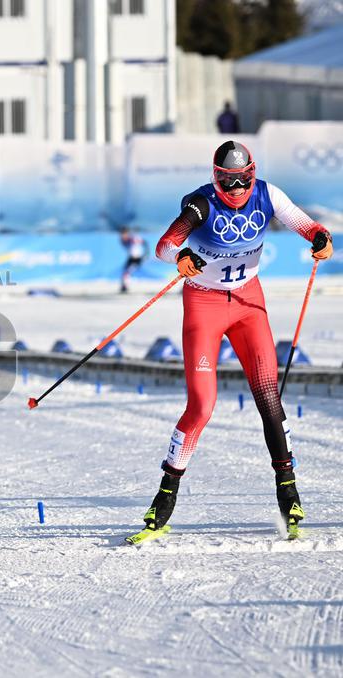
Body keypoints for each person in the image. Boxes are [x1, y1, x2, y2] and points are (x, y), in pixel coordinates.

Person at [134, 140, 333, 542]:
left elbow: (303, 222)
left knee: (268, 398)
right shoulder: (201, 204)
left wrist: (320, 237)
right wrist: (180, 258)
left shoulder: (267, 194)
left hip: (248, 305)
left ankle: (289, 494)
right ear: (216, 176)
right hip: (205, 308)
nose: (238, 187)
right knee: (202, 406)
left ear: (252, 173)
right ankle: (165, 495)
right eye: (229, 180)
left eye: (243, 179)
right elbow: (165, 244)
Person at [119, 227, 145, 293]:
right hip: (131, 258)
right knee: (125, 272)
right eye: (122, 234)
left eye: (124, 234)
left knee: (127, 272)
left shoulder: (132, 238)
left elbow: (141, 241)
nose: (122, 236)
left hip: (137, 258)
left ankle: (125, 286)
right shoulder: (124, 240)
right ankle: (124, 286)